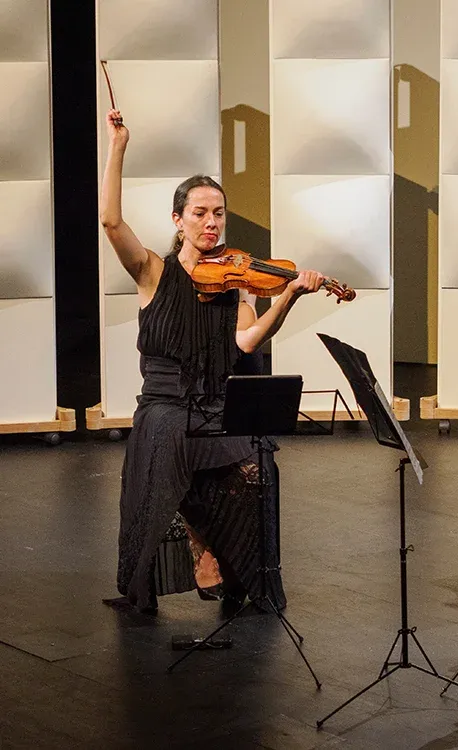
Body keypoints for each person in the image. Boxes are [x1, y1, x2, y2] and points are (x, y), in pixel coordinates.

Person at [99, 108, 325, 614]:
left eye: (218, 213)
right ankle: (200, 551)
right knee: (170, 435)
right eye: (199, 213)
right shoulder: (153, 272)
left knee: (257, 461)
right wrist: (118, 147)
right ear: (178, 221)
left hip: (214, 403)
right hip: (162, 404)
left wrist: (286, 297)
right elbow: (111, 221)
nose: (211, 222)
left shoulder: (236, 281)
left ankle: (239, 565)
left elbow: (247, 343)